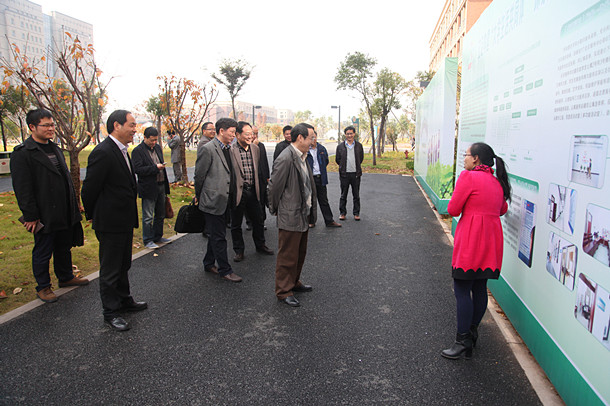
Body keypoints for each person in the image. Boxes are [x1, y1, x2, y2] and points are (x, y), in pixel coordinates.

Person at [10, 109, 89, 303]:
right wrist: (30, 215)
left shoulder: (55, 148)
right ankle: (43, 287)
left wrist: (74, 203)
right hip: (44, 212)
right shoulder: (23, 153)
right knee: (43, 250)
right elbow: (22, 188)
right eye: (46, 125)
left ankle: (65, 276)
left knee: (64, 246)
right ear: (32, 127)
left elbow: (66, 179)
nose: (51, 129)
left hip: (63, 209)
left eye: (52, 125)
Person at [441, 142, 511, 359]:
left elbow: (453, 209)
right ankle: (471, 333)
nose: (464, 158)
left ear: (476, 158)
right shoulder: (497, 181)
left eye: (466, 155)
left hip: (472, 240)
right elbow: (502, 209)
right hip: (491, 241)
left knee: (462, 289)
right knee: (480, 287)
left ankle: (462, 340)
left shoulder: (468, 177)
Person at [82, 110, 147, 332]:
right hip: (109, 221)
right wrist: (94, 215)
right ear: (117, 125)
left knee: (123, 264)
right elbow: (89, 189)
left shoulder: (122, 150)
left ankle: (124, 300)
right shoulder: (103, 152)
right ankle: (110, 312)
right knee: (110, 269)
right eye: (132, 125)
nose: (135, 129)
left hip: (124, 219)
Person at [268, 123, 317, 307]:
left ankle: (294, 282)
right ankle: (283, 291)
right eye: (311, 137)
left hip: (302, 213)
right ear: (300, 138)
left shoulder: (302, 156)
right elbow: (274, 188)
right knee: (287, 255)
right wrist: (276, 209)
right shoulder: (286, 158)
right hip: (290, 215)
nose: (313, 141)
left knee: (299, 253)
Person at [194, 117, 242, 282]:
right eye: (232, 132)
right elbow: (199, 175)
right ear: (221, 131)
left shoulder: (229, 148)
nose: (234, 136)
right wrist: (199, 196)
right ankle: (225, 270)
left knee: (216, 234)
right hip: (212, 200)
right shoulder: (208, 149)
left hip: (226, 199)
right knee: (219, 236)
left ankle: (209, 263)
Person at [229, 121, 274, 262]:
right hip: (238, 191)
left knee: (258, 220)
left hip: (254, 190)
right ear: (237, 135)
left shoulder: (255, 149)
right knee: (236, 223)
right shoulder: (230, 150)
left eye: (252, 134)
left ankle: (260, 245)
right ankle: (239, 250)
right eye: (247, 134)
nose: (250, 136)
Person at [131, 127, 171, 249]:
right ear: (145, 138)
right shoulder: (138, 151)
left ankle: (158, 236)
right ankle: (148, 239)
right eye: (151, 140)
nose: (153, 142)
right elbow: (137, 169)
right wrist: (155, 168)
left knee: (160, 213)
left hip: (161, 184)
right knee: (148, 215)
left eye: (155, 140)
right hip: (148, 187)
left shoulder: (157, 148)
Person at [306, 130, 341, 228]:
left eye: (314, 137)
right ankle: (311, 221)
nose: (313, 139)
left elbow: (326, 161)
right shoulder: (305, 149)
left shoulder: (321, 148)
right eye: (311, 137)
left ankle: (329, 221)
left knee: (324, 200)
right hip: (310, 178)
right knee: (311, 201)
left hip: (320, 178)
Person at [335, 126, 364, 221]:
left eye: (351, 133)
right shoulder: (340, 146)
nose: (349, 135)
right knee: (343, 195)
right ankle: (342, 213)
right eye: (347, 134)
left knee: (356, 195)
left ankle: (356, 213)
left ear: (354, 134)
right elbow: (338, 160)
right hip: (344, 175)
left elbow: (361, 158)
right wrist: (343, 167)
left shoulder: (359, 146)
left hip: (356, 174)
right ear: (345, 135)